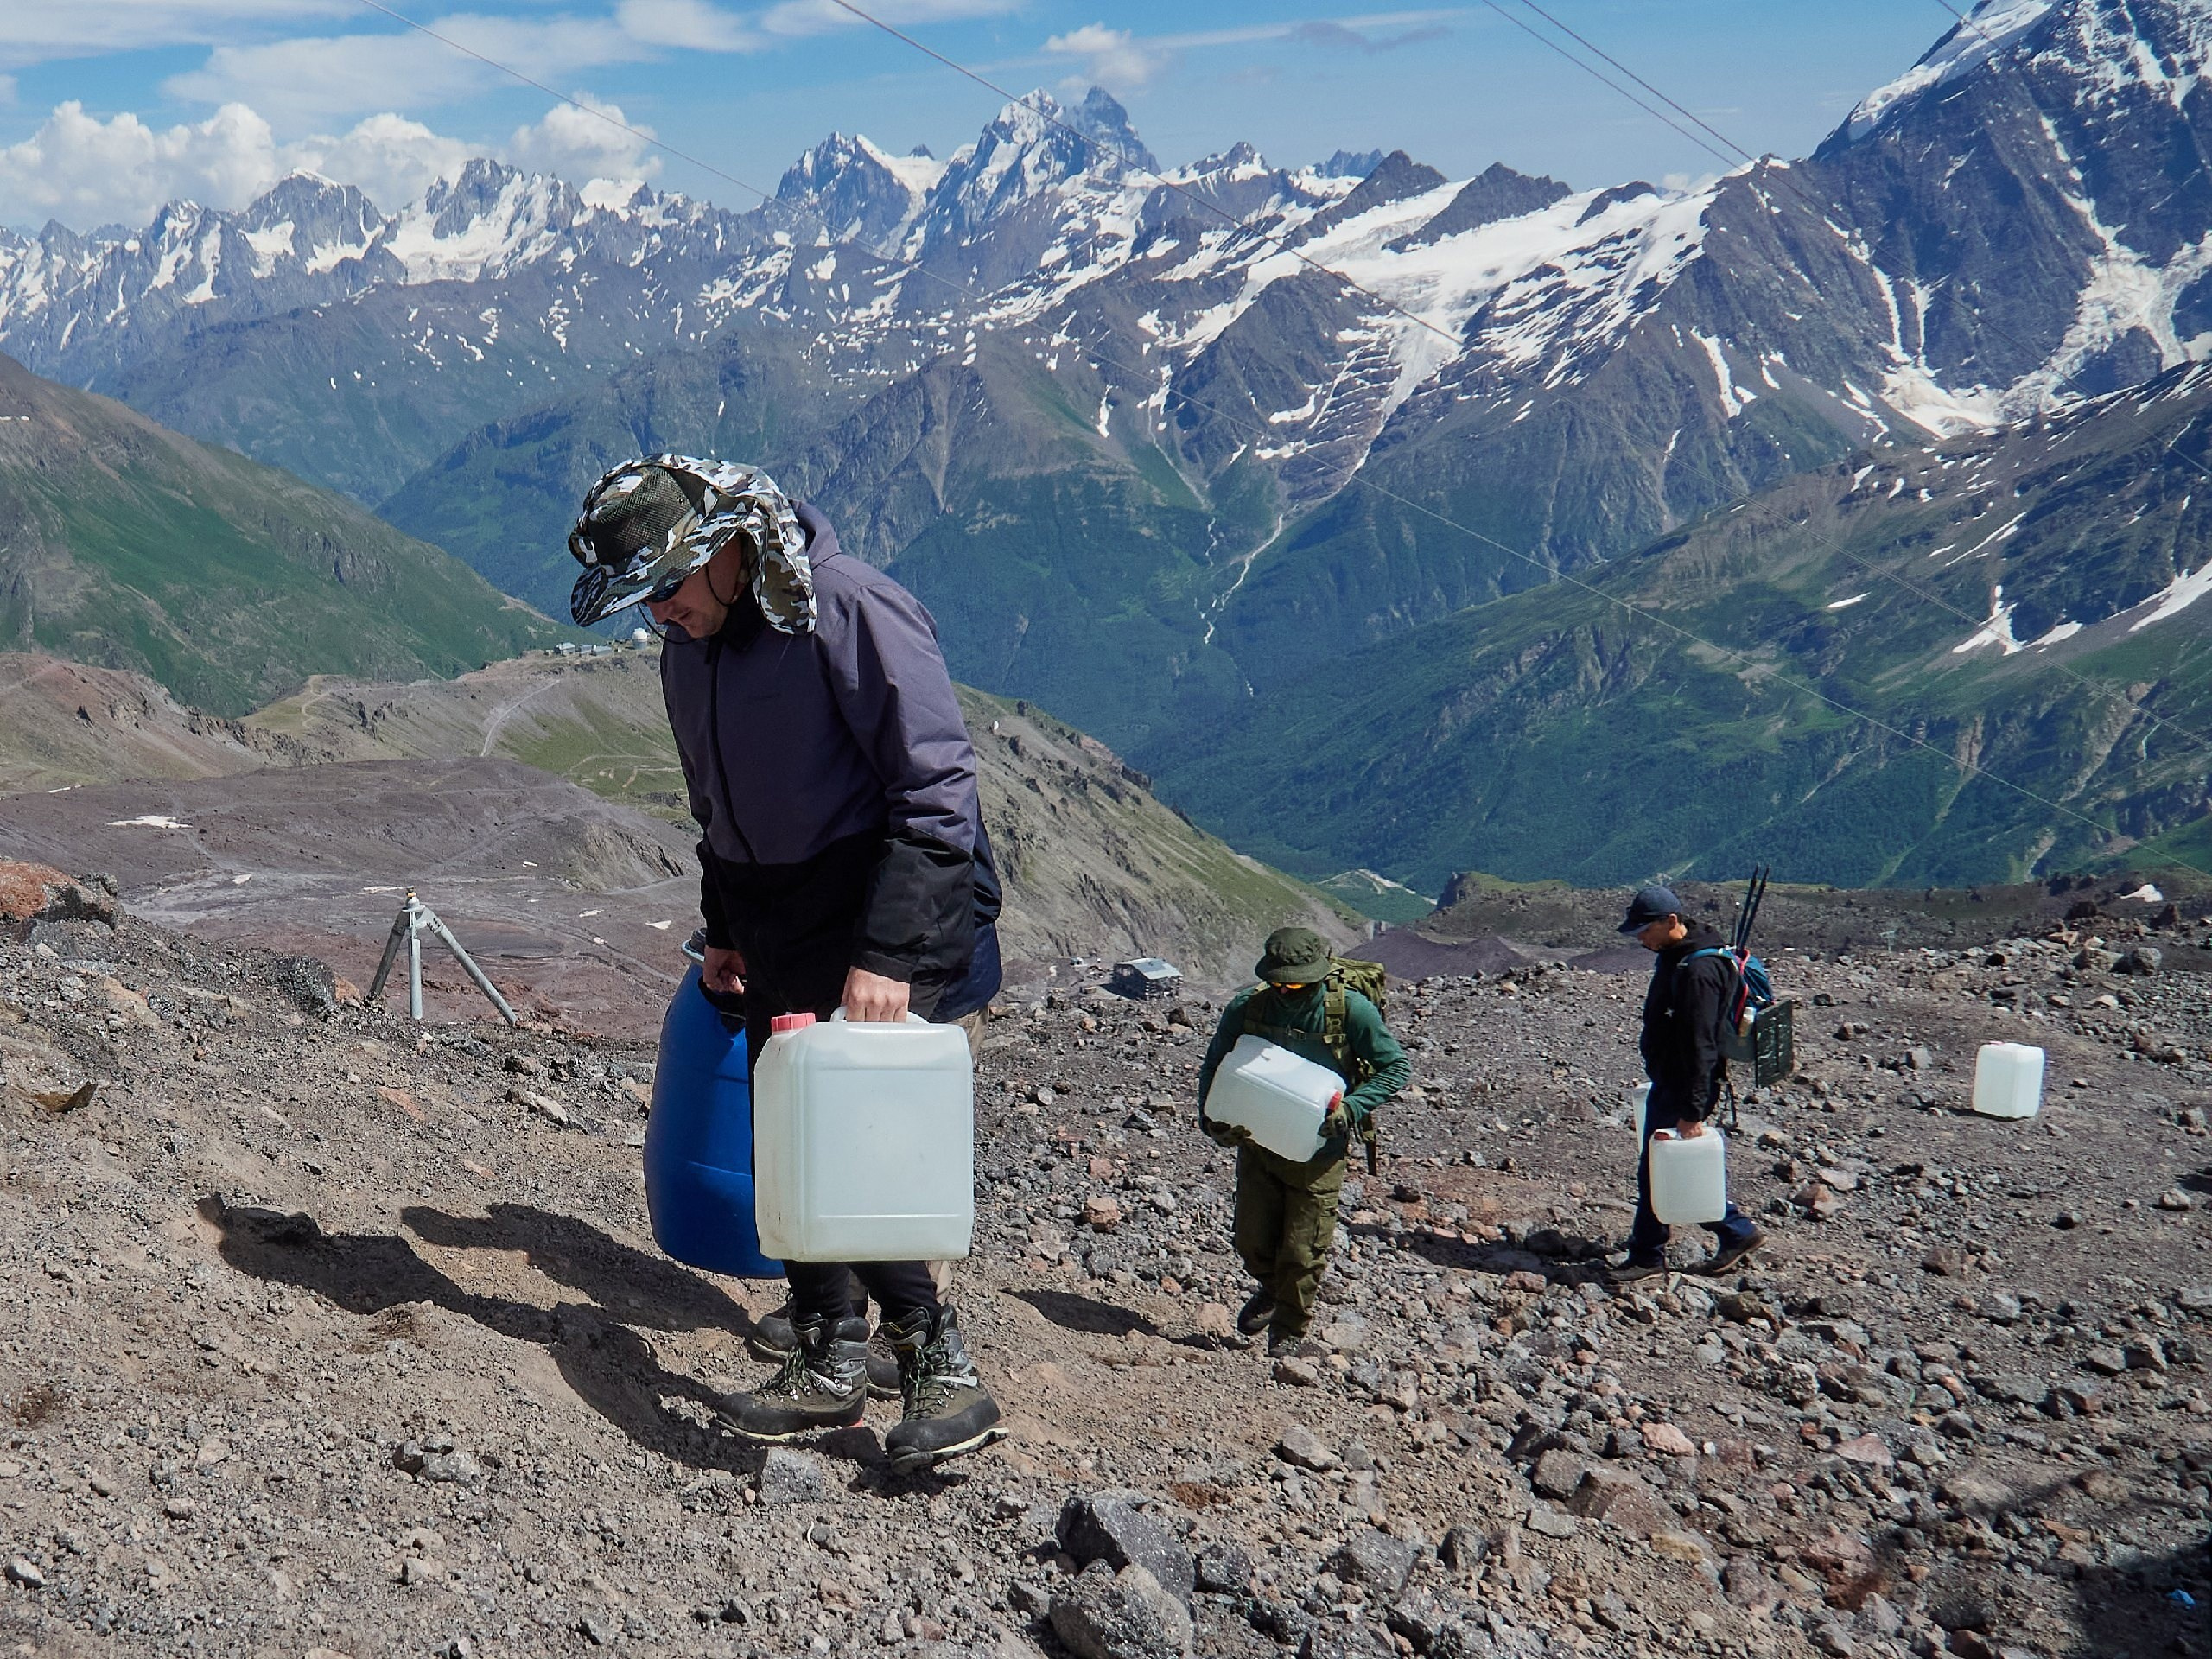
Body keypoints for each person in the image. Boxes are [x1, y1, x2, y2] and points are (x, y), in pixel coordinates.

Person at [567, 454, 1004, 1473]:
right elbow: (717, 805)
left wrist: (888, 956)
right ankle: (829, 1351)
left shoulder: (848, 609)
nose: (658, 618)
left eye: (666, 592)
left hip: (881, 907)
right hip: (776, 919)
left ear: (724, 552)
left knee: (856, 1146)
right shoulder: (697, 641)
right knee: (786, 1132)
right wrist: (724, 925)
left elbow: (937, 790)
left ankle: (941, 1369)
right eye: (642, 605)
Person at [1196, 927, 1408, 1357]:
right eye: (1280, 980)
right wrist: (1212, 1120)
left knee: (1302, 1249)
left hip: (1319, 1155)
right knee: (1250, 1240)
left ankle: (1288, 1338)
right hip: (1259, 1143)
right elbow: (1215, 1066)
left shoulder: (1351, 1011)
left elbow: (1396, 1068)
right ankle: (1272, 1290)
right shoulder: (1247, 1008)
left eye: (1297, 981)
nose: (1287, 988)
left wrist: (1351, 1108)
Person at [1611, 885, 1766, 1282]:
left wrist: (1693, 1110)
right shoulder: (1676, 954)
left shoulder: (1699, 971)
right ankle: (1733, 1231)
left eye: (1646, 930)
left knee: (1656, 1171)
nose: (1641, 939)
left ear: (1672, 921)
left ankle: (1650, 1254)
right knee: (1664, 1169)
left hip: (1684, 1085)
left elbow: (1702, 1044)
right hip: (1672, 1079)